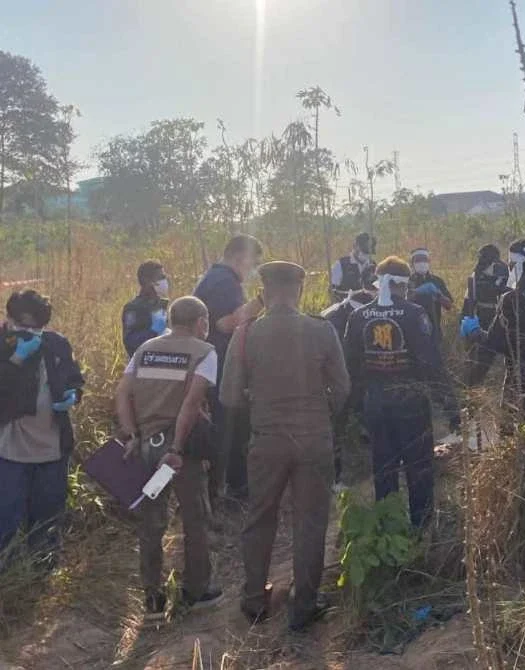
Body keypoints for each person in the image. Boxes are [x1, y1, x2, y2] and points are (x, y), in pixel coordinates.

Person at [221, 261, 350, 632]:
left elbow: (229, 397)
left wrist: (259, 403)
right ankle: (304, 604)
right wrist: (322, 417)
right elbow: (343, 389)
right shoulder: (321, 330)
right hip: (314, 439)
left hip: (266, 440)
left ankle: (253, 600)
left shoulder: (245, 335)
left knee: (260, 517)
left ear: (262, 291)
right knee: (310, 522)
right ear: (300, 288)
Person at [114, 296, 221, 622]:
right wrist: (176, 449)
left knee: (151, 523)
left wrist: (132, 435)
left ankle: (153, 600)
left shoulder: (145, 349)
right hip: (181, 451)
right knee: (195, 519)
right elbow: (191, 404)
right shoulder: (205, 353)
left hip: (146, 447)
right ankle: (196, 592)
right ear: (201, 321)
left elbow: (122, 393)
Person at [343, 257, 460, 529]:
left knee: (384, 469)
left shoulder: (358, 316)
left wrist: (355, 409)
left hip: (375, 405)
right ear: (403, 285)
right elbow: (431, 364)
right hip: (411, 404)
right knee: (419, 468)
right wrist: (450, 406)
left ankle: (389, 528)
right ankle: (421, 530)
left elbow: (351, 367)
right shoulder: (414, 313)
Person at [0, 290, 84, 570]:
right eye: (23, 325)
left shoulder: (56, 343)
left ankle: (43, 569)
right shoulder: (3, 343)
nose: (30, 332)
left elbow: (74, 376)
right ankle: (8, 572)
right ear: (9, 318)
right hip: (10, 447)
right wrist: (15, 361)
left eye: (36, 327)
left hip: (52, 446)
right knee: (6, 515)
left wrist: (73, 393)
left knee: (47, 514)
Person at [460, 240, 525, 421]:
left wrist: (474, 331)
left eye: (510, 264)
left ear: (517, 264)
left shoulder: (510, 299)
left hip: (523, 378)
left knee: (516, 426)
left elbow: (497, 343)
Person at [193, 234, 265, 504]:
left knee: (229, 427)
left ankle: (225, 489)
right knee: (230, 428)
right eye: (252, 263)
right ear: (238, 257)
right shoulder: (225, 281)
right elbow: (227, 323)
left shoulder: (213, 277)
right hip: (221, 364)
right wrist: (262, 300)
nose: (253, 269)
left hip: (212, 363)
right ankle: (230, 491)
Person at [320, 287, 375, 490]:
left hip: (354, 376)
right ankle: (335, 478)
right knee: (335, 428)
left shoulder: (352, 314)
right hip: (333, 382)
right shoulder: (332, 320)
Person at [460, 244, 510, 386]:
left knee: (503, 357)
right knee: (481, 357)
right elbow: (469, 298)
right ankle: (473, 389)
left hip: (500, 317)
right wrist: (465, 320)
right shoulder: (477, 273)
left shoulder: (504, 270)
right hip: (482, 318)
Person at [122, 260, 170, 358]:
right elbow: (130, 341)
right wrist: (154, 331)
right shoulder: (133, 308)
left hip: (164, 362)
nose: (164, 281)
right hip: (144, 364)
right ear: (146, 281)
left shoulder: (161, 305)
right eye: (161, 277)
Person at [408, 248, 454, 343]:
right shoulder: (407, 281)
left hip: (434, 329)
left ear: (429, 261)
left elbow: (449, 305)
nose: (422, 263)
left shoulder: (437, 281)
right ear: (412, 263)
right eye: (418, 260)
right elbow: (402, 302)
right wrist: (415, 293)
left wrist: (438, 294)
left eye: (424, 260)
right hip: (412, 330)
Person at [330, 232, 377, 299]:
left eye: (369, 253)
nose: (367, 255)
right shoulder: (341, 264)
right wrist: (353, 294)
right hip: (346, 307)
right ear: (355, 246)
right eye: (364, 251)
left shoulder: (373, 265)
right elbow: (332, 291)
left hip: (368, 307)